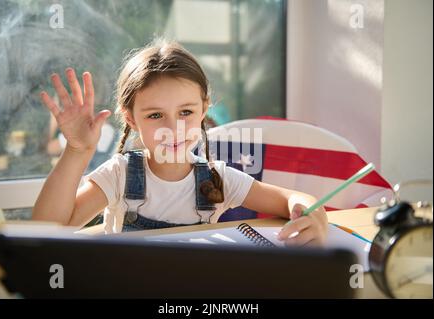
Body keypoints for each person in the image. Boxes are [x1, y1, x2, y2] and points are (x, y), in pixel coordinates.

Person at [32, 39, 327, 246]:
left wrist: (312, 214)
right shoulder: (119, 175)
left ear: (203, 110)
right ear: (131, 119)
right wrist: (76, 150)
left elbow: (294, 199)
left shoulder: (218, 179)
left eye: (185, 112)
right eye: (156, 114)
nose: (173, 128)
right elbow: (46, 231)